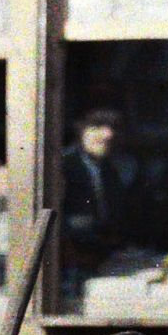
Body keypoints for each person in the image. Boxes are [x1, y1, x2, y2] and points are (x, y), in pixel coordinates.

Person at [60, 106, 134, 269]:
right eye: (97, 127)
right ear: (80, 130)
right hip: (69, 263)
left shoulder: (110, 169)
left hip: (102, 258)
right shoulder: (62, 166)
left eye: (113, 127)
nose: (108, 135)